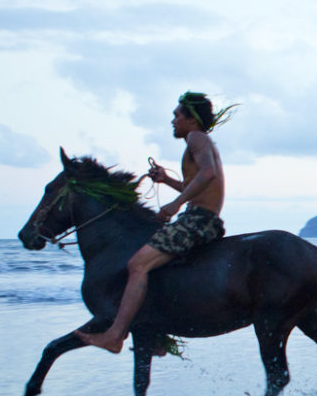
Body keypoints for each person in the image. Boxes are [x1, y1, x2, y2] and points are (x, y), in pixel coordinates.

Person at [77, 92, 234, 354]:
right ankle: (156, 335)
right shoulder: (201, 141)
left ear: (191, 119)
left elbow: (208, 174)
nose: (173, 120)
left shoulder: (196, 138)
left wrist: (175, 204)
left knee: (137, 264)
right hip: (203, 217)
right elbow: (199, 182)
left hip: (198, 219)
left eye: (177, 115)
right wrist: (165, 180)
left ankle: (115, 335)